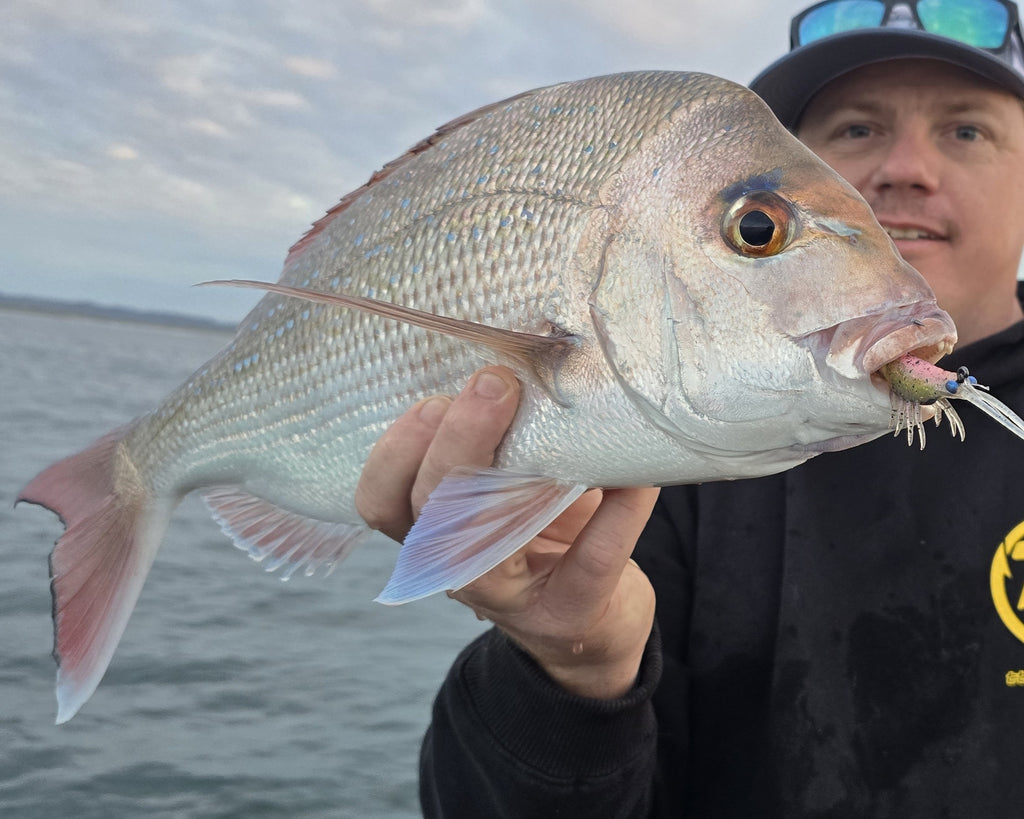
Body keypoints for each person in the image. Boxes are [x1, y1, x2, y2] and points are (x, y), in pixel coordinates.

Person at [356, 1, 1024, 814]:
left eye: (966, 130)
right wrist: (573, 670)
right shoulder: (655, 444)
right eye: (857, 129)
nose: (906, 168)